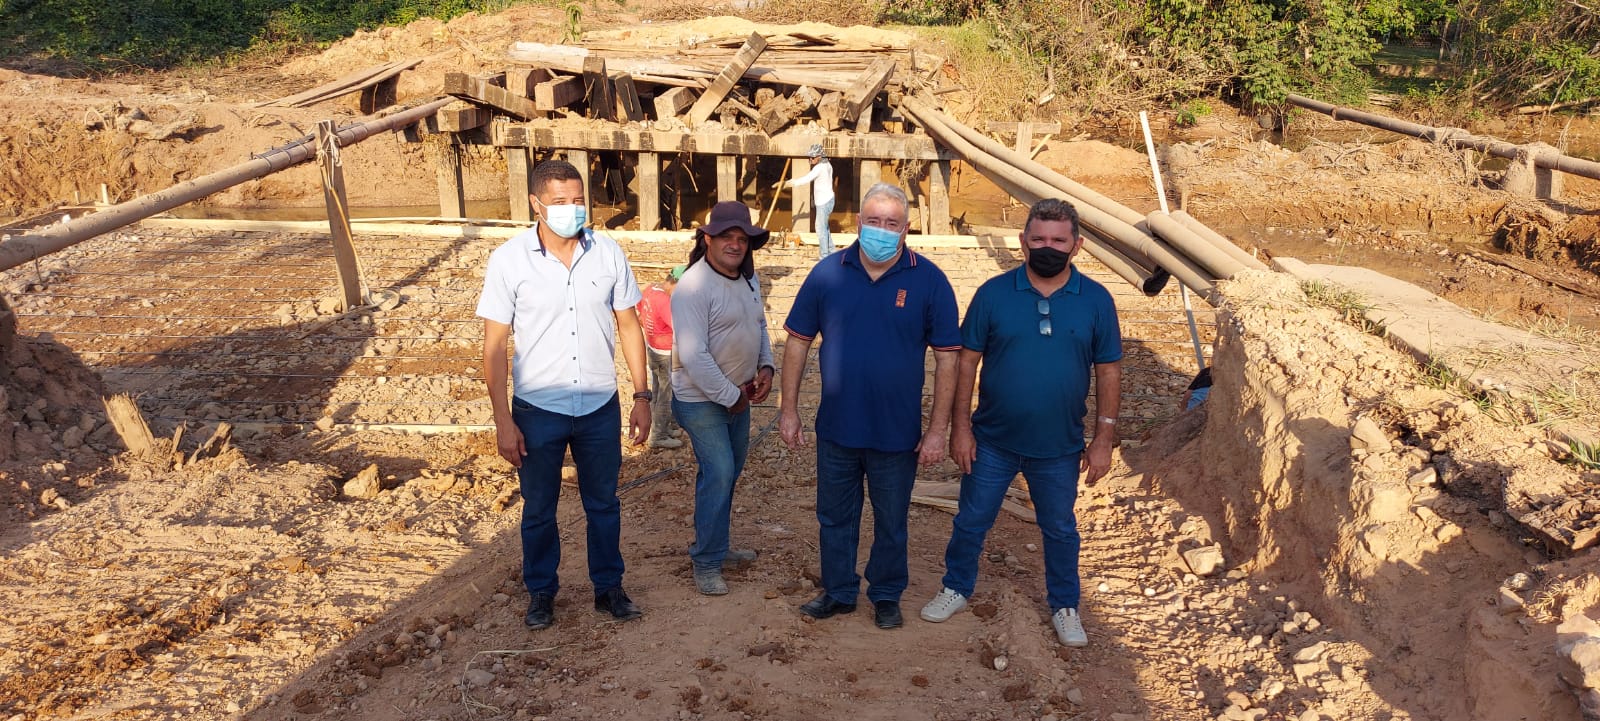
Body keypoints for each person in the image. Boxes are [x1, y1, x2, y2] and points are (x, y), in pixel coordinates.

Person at [918, 198, 1123, 649]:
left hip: (1060, 447)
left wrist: (1103, 438)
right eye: (1039, 239)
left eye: (1058, 240)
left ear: (1077, 246)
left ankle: (1065, 605)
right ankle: (956, 587)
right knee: (972, 519)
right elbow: (966, 363)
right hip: (991, 440)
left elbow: (1108, 370)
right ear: (1022, 241)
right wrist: (961, 429)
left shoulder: (1096, 300)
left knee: (1060, 528)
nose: (1047, 247)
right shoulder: (993, 294)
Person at [477, 159, 653, 631]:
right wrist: (502, 421)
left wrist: (642, 394)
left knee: (605, 504)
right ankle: (541, 592)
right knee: (538, 509)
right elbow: (494, 347)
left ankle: (609, 588)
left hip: (598, 405)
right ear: (536, 204)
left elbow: (629, 325)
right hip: (538, 410)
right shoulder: (509, 261)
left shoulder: (608, 252)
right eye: (560, 202)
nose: (572, 210)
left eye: (578, 201)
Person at [779, 182, 961, 630]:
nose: (882, 231)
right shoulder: (827, 274)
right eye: (874, 222)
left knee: (891, 520)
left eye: (892, 224)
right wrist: (789, 409)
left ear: (906, 229)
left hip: (896, 433)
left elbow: (948, 357)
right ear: (858, 223)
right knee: (835, 516)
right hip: (838, 428)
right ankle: (839, 591)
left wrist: (937, 430)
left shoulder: (929, 280)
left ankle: (884, 594)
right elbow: (798, 343)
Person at [671, 201, 776, 596]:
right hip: (702, 401)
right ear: (708, 239)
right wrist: (731, 396)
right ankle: (707, 562)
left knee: (728, 473)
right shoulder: (694, 286)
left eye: (742, 239)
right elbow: (694, 355)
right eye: (727, 237)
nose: (735, 245)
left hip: (738, 397)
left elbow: (759, 326)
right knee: (718, 472)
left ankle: (715, 544)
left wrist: (766, 367)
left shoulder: (748, 280)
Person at [637, 265, 685, 449]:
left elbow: (641, 315)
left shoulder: (650, 290)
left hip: (653, 348)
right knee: (667, 394)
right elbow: (678, 327)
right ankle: (659, 435)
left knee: (657, 389)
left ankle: (658, 425)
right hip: (666, 353)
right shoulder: (666, 301)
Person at [781, 144, 836, 259]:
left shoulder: (819, 168)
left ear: (819, 157)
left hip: (824, 202)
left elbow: (807, 178)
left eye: (812, 157)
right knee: (825, 227)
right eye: (809, 157)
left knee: (820, 229)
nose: (810, 160)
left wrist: (792, 183)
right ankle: (832, 251)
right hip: (829, 199)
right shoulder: (827, 165)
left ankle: (824, 257)